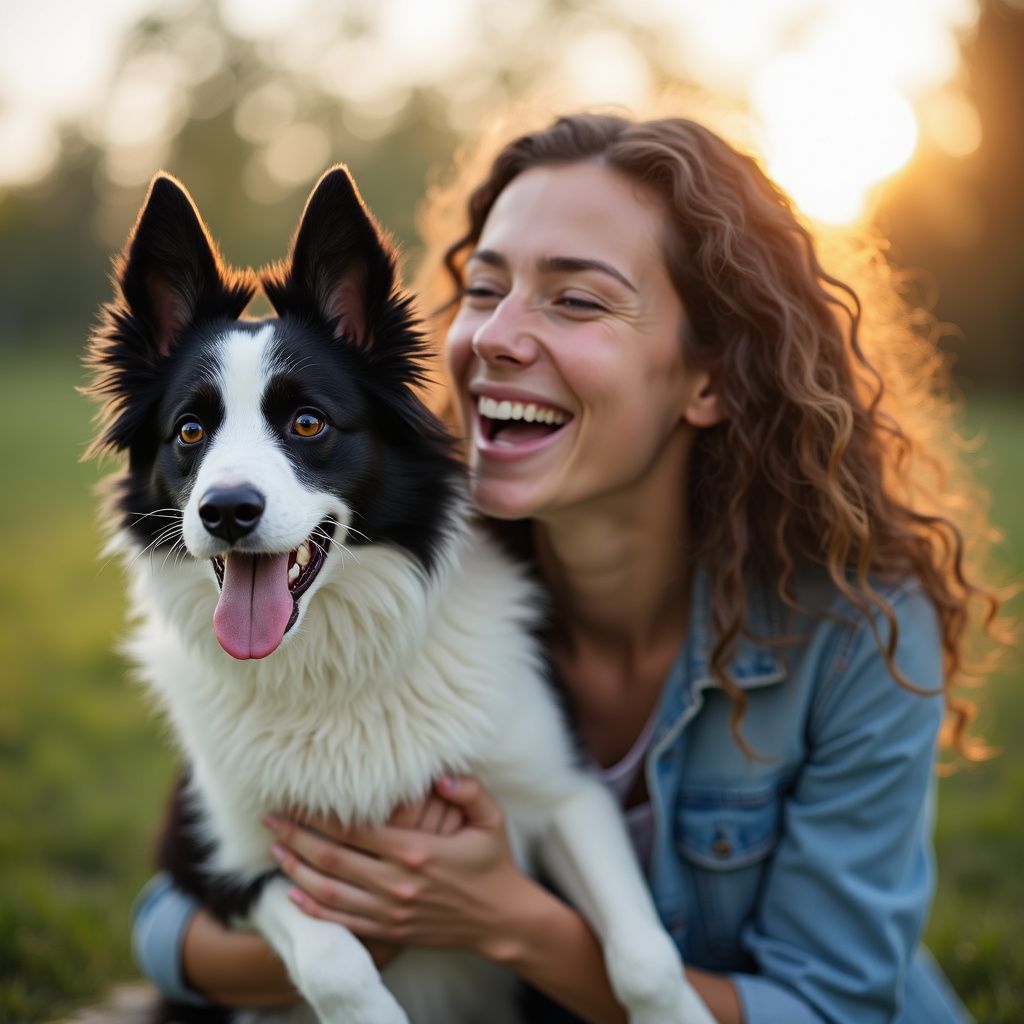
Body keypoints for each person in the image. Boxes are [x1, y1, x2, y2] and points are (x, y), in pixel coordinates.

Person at [133, 112, 1003, 1022]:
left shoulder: (859, 630)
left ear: (712, 377)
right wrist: (359, 943)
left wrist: (510, 925)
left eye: (576, 299)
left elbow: (838, 1002)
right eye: (484, 287)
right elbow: (171, 919)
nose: (498, 337)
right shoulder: (378, 582)